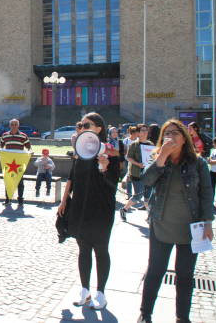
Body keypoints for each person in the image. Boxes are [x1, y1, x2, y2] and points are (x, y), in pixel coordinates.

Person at [137, 119, 214, 323]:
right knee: (155, 270)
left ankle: (182, 317)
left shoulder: (198, 163)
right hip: (162, 223)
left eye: (175, 133)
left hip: (190, 227)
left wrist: (208, 222)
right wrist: (162, 156)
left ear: (184, 138)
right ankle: (145, 313)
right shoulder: (158, 159)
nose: (170, 136)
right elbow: (147, 180)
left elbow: (206, 193)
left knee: (185, 275)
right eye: (167, 133)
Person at [62, 113, 114, 310]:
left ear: (99, 128)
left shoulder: (110, 151)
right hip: (81, 206)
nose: (81, 128)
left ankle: (101, 293)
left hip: (101, 209)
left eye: (86, 125)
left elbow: (112, 183)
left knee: (101, 250)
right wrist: (64, 200)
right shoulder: (81, 151)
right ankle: (85, 291)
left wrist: (104, 168)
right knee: (83, 249)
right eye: (81, 125)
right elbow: (72, 177)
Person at [120, 124, 154, 221]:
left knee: (148, 196)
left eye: (146, 130)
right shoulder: (134, 145)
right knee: (138, 196)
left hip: (148, 174)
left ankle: (149, 217)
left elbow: (153, 157)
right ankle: (124, 209)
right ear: (138, 133)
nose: (145, 132)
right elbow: (128, 157)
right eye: (142, 130)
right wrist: (138, 164)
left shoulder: (150, 144)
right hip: (136, 173)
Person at [0, 119, 31, 205]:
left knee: (20, 181)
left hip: (19, 163)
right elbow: (1, 147)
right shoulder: (5, 135)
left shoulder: (23, 136)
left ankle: (20, 200)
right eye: (12, 124)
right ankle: (7, 199)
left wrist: (28, 154)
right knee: (8, 181)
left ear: (18, 125)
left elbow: (28, 147)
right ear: (9, 125)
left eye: (15, 124)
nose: (14, 126)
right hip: (8, 163)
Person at [122, 126, 138, 198]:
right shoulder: (126, 140)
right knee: (129, 176)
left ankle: (136, 193)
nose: (137, 134)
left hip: (136, 161)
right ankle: (129, 194)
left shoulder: (138, 140)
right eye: (136, 133)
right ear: (132, 133)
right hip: (127, 160)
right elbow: (124, 151)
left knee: (133, 176)